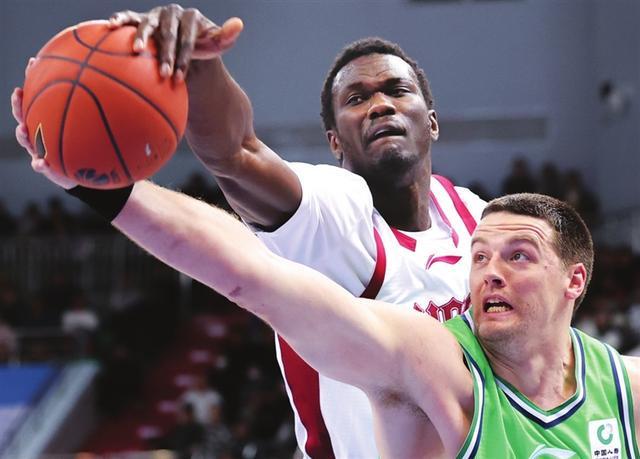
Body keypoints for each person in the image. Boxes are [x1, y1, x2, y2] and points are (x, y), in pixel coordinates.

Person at [11, 109, 640, 455]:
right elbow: (251, 274)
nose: (491, 272)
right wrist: (101, 188)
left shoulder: (624, 387)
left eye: (518, 256)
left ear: (574, 281)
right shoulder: (431, 360)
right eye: (479, 257)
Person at [100, 6, 486, 457]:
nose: (380, 105)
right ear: (334, 142)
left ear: (432, 122)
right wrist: (202, 65)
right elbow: (236, 154)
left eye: (397, 90)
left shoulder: (475, 216)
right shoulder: (336, 213)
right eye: (356, 99)